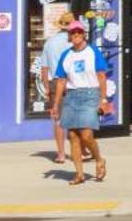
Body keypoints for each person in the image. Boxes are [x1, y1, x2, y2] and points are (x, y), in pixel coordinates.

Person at [49, 21, 111, 185]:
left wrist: (103, 99)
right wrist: (55, 105)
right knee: (72, 135)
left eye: (78, 32)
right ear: (69, 36)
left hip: (90, 94)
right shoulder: (66, 55)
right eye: (72, 33)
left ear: (83, 34)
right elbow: (61, 81)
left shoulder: (92, 51)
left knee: (86, 134)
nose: (75, 35)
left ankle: (99, 159)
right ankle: (79, 174)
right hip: (72, 96)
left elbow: (101, 76)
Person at [39, 13, 72, 162]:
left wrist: (46, 86)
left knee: (58, 119)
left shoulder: (49, 42)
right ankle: (81, 150)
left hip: (54, 81)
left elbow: (44, 68)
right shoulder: (75, 43)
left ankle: (61, 153)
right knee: (76, 118)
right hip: (73, 82)